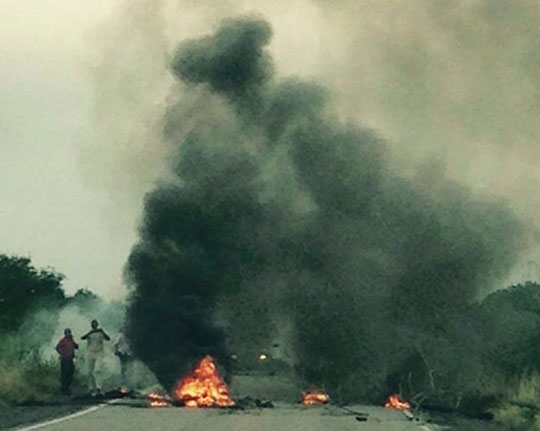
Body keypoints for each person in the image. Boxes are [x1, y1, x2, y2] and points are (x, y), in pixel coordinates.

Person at [81, 319, 110, 394]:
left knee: (98, 370)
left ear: (97, 325)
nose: (94, 325)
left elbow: (108, 338)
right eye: (92, 324)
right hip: (90, 352)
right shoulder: (90, 333)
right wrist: (90, 332)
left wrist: (102, 332)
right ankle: (91, 388)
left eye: (95, 324)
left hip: (99, 352)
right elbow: (82, 338)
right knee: (89, 372)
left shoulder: (100, 332)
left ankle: (98, 387)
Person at [55, 328, 79, 395]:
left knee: (70, 373)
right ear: (65, 334)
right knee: (64, 374)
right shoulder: (63, 340)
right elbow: (57, 348)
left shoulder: (71, 340)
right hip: (64, 359)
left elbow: (76, 347)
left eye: (69, 333)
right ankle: (63, 389)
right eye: (67, 333)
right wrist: (62, 353)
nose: (68, 334)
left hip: (70, 359)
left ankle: (67, 388)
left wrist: (75, 345)